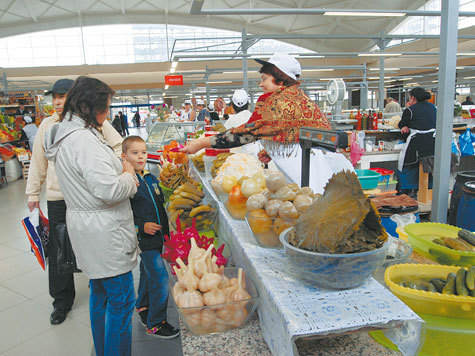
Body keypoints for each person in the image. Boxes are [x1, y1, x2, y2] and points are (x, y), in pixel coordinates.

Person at [44, 76, 138, 356]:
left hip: (87, 227)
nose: (108, 114)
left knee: (100, 295)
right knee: (122, 300)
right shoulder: (83, 140)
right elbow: (108, 189)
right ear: (90, 106)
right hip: (104, 231)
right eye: (105, 107)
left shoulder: (66, 133)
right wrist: (130, 176)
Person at [26, 78, 123, 327]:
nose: (57, 102)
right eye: (54, 98)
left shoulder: (94, 123)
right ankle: (61, 300)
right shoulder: (47, 126)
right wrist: (33, 194)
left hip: (87, 196)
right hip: (59, 197)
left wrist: (108, 168)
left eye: (62, 97)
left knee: (90, 244)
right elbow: (38, 162)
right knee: (59, 251)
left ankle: (96, 286)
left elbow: (118, 144)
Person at [181, 53, 330, 156]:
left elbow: (245, 134)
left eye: (264, 79)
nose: (261, 84)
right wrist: (274, 151)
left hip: (308, 171)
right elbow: (295, 133)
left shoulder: (276, 102)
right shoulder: (300, 97)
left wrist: (200, 143)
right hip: (318, 165)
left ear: (280, 79)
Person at [121, 136, 180, 339]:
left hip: (158, 239)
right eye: (134, 153)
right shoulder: (127, 182)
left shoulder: (151, 177)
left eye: (143, 152)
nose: (140, 157)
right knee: (160, 279)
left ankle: (142, 305)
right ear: (124, 156)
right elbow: (123, 214)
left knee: (147, 274)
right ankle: (156, 322)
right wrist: (141, 226)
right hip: (144, 241)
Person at [397, 87, 437, 195]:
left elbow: (401, 124)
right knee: (429, 165)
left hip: (417, 143)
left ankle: (407, 189)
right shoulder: (433, 107)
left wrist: (404, 126)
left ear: (413, 98)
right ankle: (429, 188)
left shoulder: (410, 110)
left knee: (407, 164)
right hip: (433, 142)